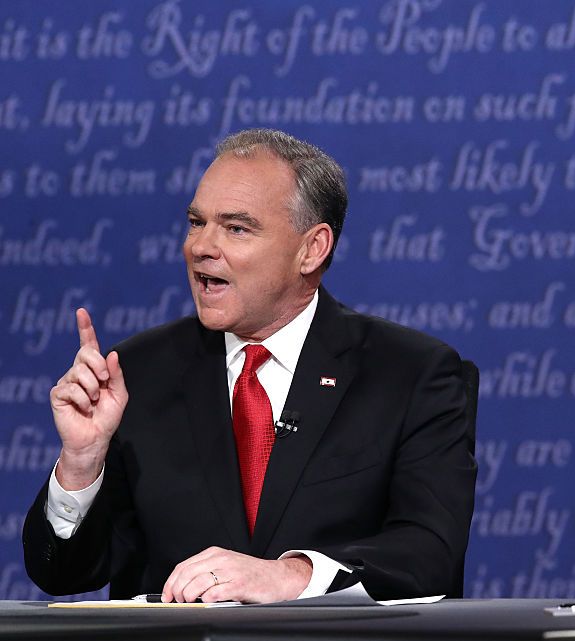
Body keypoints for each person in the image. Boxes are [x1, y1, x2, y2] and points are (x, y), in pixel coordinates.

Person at [22, 129, 477, 604]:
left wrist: (290, 576)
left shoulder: (408, 374)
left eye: (236, 228)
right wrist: (81, 464)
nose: (201, 246)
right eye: (197, 223)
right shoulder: (137, 374)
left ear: (312, 248)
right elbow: (62, 576)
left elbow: (431, 552)